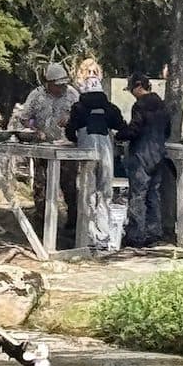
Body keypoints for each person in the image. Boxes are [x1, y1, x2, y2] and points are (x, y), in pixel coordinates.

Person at [13, 62, 80, 240]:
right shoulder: (36, 96)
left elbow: (83, 115)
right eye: (58, 85)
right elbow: (24, 118)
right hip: (43, 148)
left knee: (69, 187)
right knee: (41, 188)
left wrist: (72, 118)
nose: (61, 88)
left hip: (67, 148)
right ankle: (42, 225)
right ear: (48, 83)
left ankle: (73, 225)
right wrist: (34, 129)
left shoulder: (72, 94)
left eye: (63, 84)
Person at [66, 74, 126, 249]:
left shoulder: (78, 108)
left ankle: (87, 234)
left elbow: (70, 130)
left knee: (87, 193)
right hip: (106, 151)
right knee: (105, 192)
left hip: (86, 152)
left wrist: (75, 140)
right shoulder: (110, 108)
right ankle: (104, 234)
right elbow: (121, 126)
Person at [118, 74, 172, 248]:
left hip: (140, 154)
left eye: (132, 89)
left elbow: (135, 129)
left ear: (139, 86)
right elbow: (168, 130)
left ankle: (136, 235)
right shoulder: (162, 105)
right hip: (158, 154)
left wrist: (120, 134)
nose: (131, 93)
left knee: (137, 195)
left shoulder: (140, 105)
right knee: (153, 194)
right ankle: (154, 232)